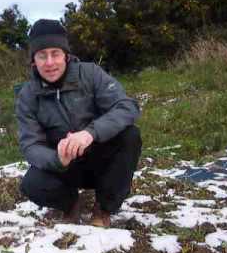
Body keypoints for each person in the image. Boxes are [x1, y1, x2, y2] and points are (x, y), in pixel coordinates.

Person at [15, 19, 142, 227]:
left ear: (65, 54)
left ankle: (104, 209)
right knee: (31, 184)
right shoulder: (27, 96)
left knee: (130, 136)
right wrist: (57, 159)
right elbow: (30, 145)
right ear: (33, 61)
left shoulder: (91, 73)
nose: (49, 62)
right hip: (65, 169)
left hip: (99, 160)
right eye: (42, 55)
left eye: (55, 53)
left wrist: (91, 133)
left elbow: (127, 107)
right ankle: (70, 204)